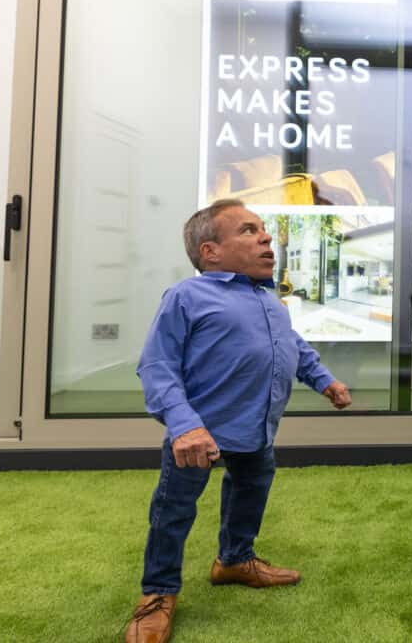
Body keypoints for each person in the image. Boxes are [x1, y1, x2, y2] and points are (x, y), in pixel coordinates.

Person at [124, 199, 353, 643]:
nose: (266, 237)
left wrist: (323, 379)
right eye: (249, 231)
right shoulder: (186, 297)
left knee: (251, 492)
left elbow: (294, 346)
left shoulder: (271, 302)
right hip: (199, 435)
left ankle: (233, 560)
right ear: (210, 252)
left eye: (264, 230)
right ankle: (157, 593)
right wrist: (184, 425)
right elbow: (157, 365)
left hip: (258, 429)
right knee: (172, 512)